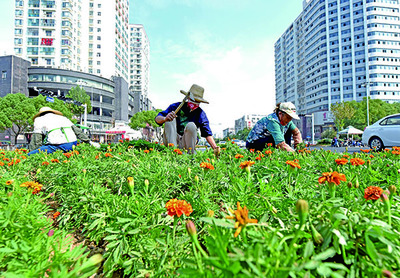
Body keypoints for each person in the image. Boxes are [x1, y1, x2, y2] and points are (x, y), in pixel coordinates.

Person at [155, 84, 220, 155]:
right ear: (188, 98)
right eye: (193, 100)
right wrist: (165, 118)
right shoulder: (175, 107)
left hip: (187, 142)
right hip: (172, 139)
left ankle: (191, 154)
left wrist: (215, 148)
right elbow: (157, 119)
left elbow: (207, 134)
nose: (194, 104)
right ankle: (173, 152)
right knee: (170, 120)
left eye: (197, 102)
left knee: (191, 125)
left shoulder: (201, 114)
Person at [28, 106, 96, 155]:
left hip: (59, 145)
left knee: (30, 155)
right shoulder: (63, 118)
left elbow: (36, 140)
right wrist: (89, 142)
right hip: (73, 144)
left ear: (40, 114)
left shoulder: (39, 120)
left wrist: (34, 151)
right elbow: (78, 131)